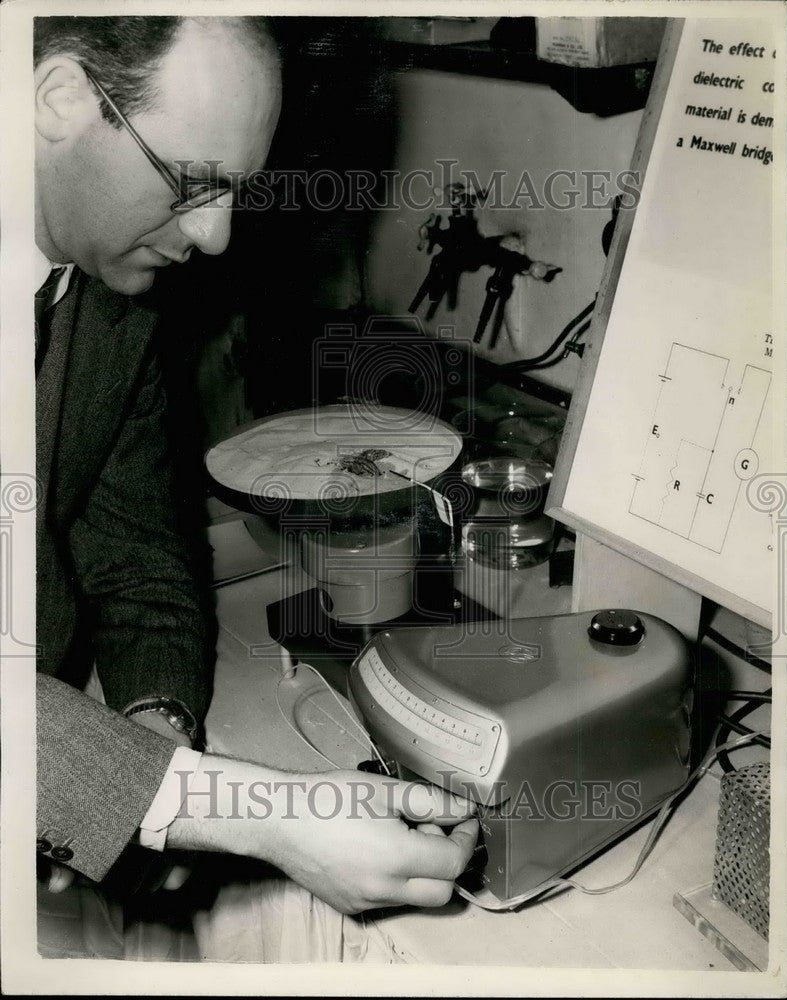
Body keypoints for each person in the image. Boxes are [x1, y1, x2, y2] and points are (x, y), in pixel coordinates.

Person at [34, 14, 477, 922]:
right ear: (62, 98)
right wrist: (244, 813)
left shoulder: (110, 303)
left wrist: (153, 737)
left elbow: (137, 553)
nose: (216, 235)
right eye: (194, 181)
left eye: (236, 191)